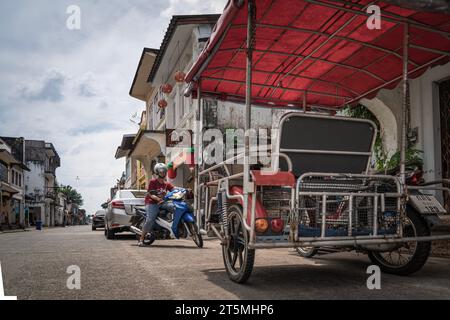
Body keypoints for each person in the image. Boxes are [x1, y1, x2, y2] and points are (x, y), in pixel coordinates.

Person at [138, 163, 174, 247]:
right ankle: (141, 239)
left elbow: (174, 189)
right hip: (151, 203)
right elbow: (150, 194)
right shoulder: (153, 182)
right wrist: (157, 199)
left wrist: (184, 190)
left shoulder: (166, 184)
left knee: (175, 207)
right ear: (157, 172)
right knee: (150, 220)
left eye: (164, 171)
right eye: (161, 172)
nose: (163, 173)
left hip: (162, 203)